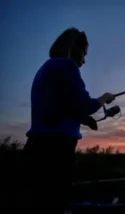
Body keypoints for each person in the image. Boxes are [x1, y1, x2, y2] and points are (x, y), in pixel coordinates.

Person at [21, 27, 115, 214]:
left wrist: (85, 119)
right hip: (56, 147)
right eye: (84, 54)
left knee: (40, 202)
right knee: (54, 201)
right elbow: (84, 104)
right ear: (74, 48)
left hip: (39, 144)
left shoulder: (48, 67)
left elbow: (61, 106)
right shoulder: (66, 66)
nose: (84, 60)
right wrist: (104, 98)